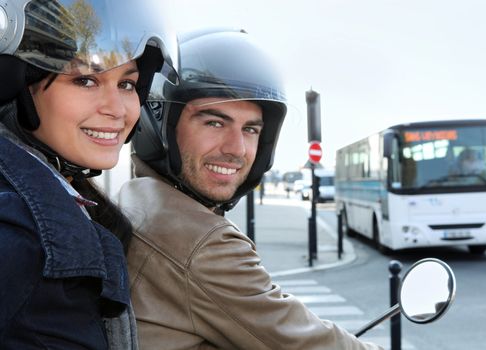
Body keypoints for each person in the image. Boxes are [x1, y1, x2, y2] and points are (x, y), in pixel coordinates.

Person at [118, 28, 382, 350]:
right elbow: (310, 342)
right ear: (160, 125)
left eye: (251, 130)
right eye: (214, 122)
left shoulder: (137, 198)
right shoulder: (202, 243)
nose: (237, 149)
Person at [0, 1, 175, 348]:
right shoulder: (19, 238)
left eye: (127, 84)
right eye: (86, 79)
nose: (116, 109)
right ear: (20, 86)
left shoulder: (57, 201)